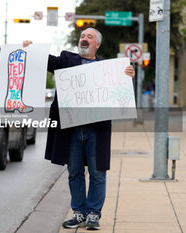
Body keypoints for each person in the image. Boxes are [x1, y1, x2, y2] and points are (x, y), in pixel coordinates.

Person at [23, 28, 135, 231]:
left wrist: (128, 74)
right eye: (82, 36)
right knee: (74, 172)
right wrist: (32, 50)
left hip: (97, 130)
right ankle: (79, 213)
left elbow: (122, 89)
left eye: (89, 37)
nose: (84, 39)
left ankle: (93, 214)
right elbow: (48, 61)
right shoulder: (66, 60)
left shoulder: (108, 68)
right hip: (71, 130)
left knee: (98, 173)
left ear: (97, 45)